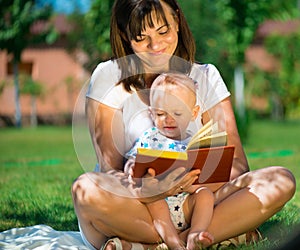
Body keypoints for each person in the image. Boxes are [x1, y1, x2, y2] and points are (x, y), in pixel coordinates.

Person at [71, 0, 296, 249]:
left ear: (177, 21)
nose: (155, 46)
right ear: (125, 35)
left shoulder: (206, 76)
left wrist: (189, 182)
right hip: (137, 208)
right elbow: (109, 169)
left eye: (163, 31)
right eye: (141, 37)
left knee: (280, 179)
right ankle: (216, 234)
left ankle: (154, 245)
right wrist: (152, 188)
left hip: (198, 202)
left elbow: (238, 165)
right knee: (86, 188)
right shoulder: (108, 76)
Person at [124, 72, 214, 250]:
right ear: (151, 113)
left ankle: (195, 234)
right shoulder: (149, 138)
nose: (169, 119)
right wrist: (131, 168)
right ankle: (173, 241)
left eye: (177, 113)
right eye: (160, 113)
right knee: (153, 198)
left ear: (194, 113)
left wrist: (194, 184)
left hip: (186, 204)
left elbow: (204, 179)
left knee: (205, 195)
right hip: (159, 203)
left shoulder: (194, 143)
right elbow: (131, 161)